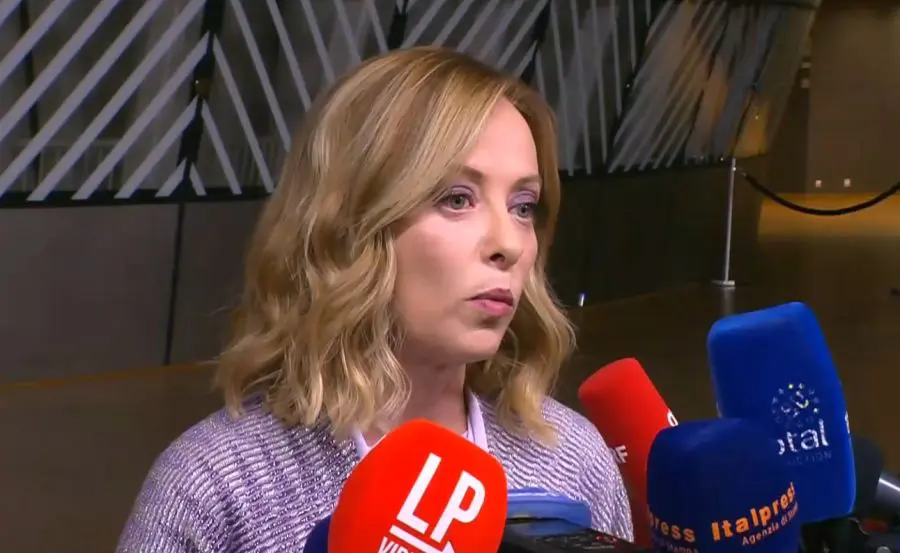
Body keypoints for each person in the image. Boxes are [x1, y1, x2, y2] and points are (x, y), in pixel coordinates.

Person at [117, 45, 633, 552]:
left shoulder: (572, 459)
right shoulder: (215, 485)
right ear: (349, 227)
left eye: (523, 206)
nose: (509, 244)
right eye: (457, 198)